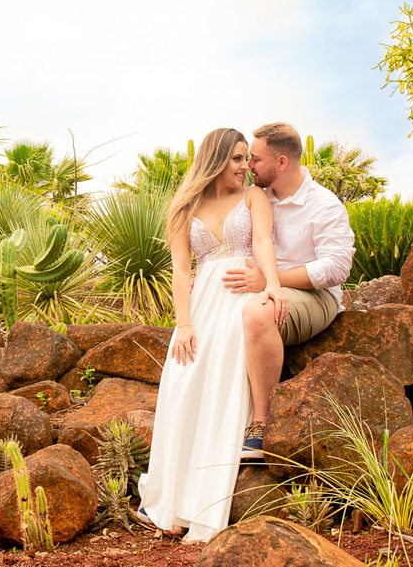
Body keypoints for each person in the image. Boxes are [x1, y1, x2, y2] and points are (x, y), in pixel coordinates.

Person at [136, 128, 288, 542]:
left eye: (247, 159)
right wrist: (183, 324)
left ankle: (201, 505)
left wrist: (272, 284)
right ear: (216, 160)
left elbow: (262, 242)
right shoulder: (183, 207)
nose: (246, 167)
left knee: (223, 388)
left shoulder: (254, 197)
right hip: (201, 305)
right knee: (185, 386)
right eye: (237, 159)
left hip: (240, 300)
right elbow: (182, 271)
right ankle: (175, 504)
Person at [222, 122, 355, 460]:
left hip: (315, 297)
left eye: (255, 159)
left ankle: (261, 424)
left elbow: (336, 268)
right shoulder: (255, 198)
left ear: (281, 163)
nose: (248, 166)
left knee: (257, 313)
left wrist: (271, 280)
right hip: (262, 285)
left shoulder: (324, 205)